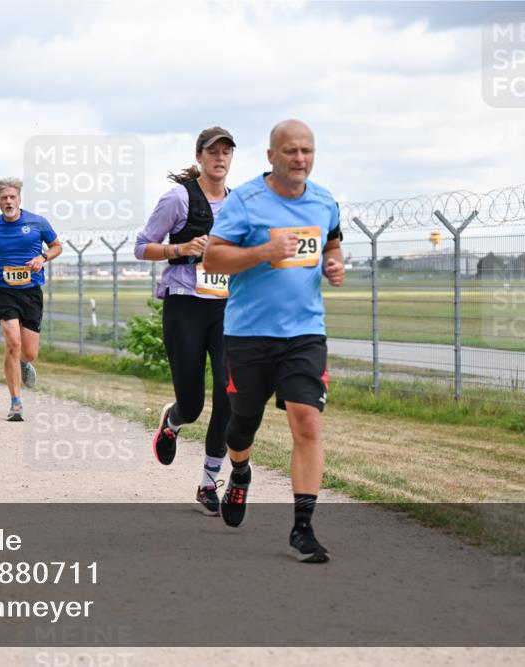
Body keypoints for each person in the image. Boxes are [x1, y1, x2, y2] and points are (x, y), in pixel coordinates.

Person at [203, 119, 345, 563]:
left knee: (307, 420)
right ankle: (240, 471)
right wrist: (262, 253)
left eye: (307, 151)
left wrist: (334, 264)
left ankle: (302, 528)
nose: (299, 159)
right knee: (243, 423)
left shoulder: (324, 201)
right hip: (248, 334)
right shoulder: (246, 200)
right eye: (290, 151)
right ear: (271, 156)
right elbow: (213, 257)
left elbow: (333, 243)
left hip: (304, 333)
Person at [135, 126, 236, 515]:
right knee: (193, 403)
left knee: (230, 393)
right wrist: (182, 248)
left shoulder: (240, 203)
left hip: (227, 306)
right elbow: (142, 246)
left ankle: (209, 482)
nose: (220, 158)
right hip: (185, 305)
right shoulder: (178, 199)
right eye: (213, 151)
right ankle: (174, 421)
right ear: (199, 157)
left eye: (227, 152)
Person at [0, 177, 62, 421]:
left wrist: (42, 258)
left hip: (31, 292)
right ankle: (16, 402)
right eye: (4, 198)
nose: (8, 201)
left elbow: (57, 246)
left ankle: (24, 364)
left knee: (29, 352)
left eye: (12, 197)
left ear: (19, 199)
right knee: (12, 343)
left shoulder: (37, 222)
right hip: (4, 291)